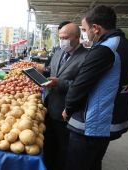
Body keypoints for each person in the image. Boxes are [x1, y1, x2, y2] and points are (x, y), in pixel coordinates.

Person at [63, 5, 128, 170]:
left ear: (95, 28)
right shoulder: (127, 46)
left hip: (91, 126)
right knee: (94, 164)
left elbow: (80, 85)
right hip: (111, 123)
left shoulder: (104, 49)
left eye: (84, 29)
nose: (85, 33)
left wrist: (68, 108)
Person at [43, 23, 88, 170]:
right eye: (60, 37)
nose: (62, 41)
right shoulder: (58, 52)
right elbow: (53, 71)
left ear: (77, 37)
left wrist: (59, 83)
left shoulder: (86, 57)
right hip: (49, 108)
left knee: (63, 151)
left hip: (67, 113)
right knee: (49, 147)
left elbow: (82, 86)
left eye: (65, 38)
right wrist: (42, 75)